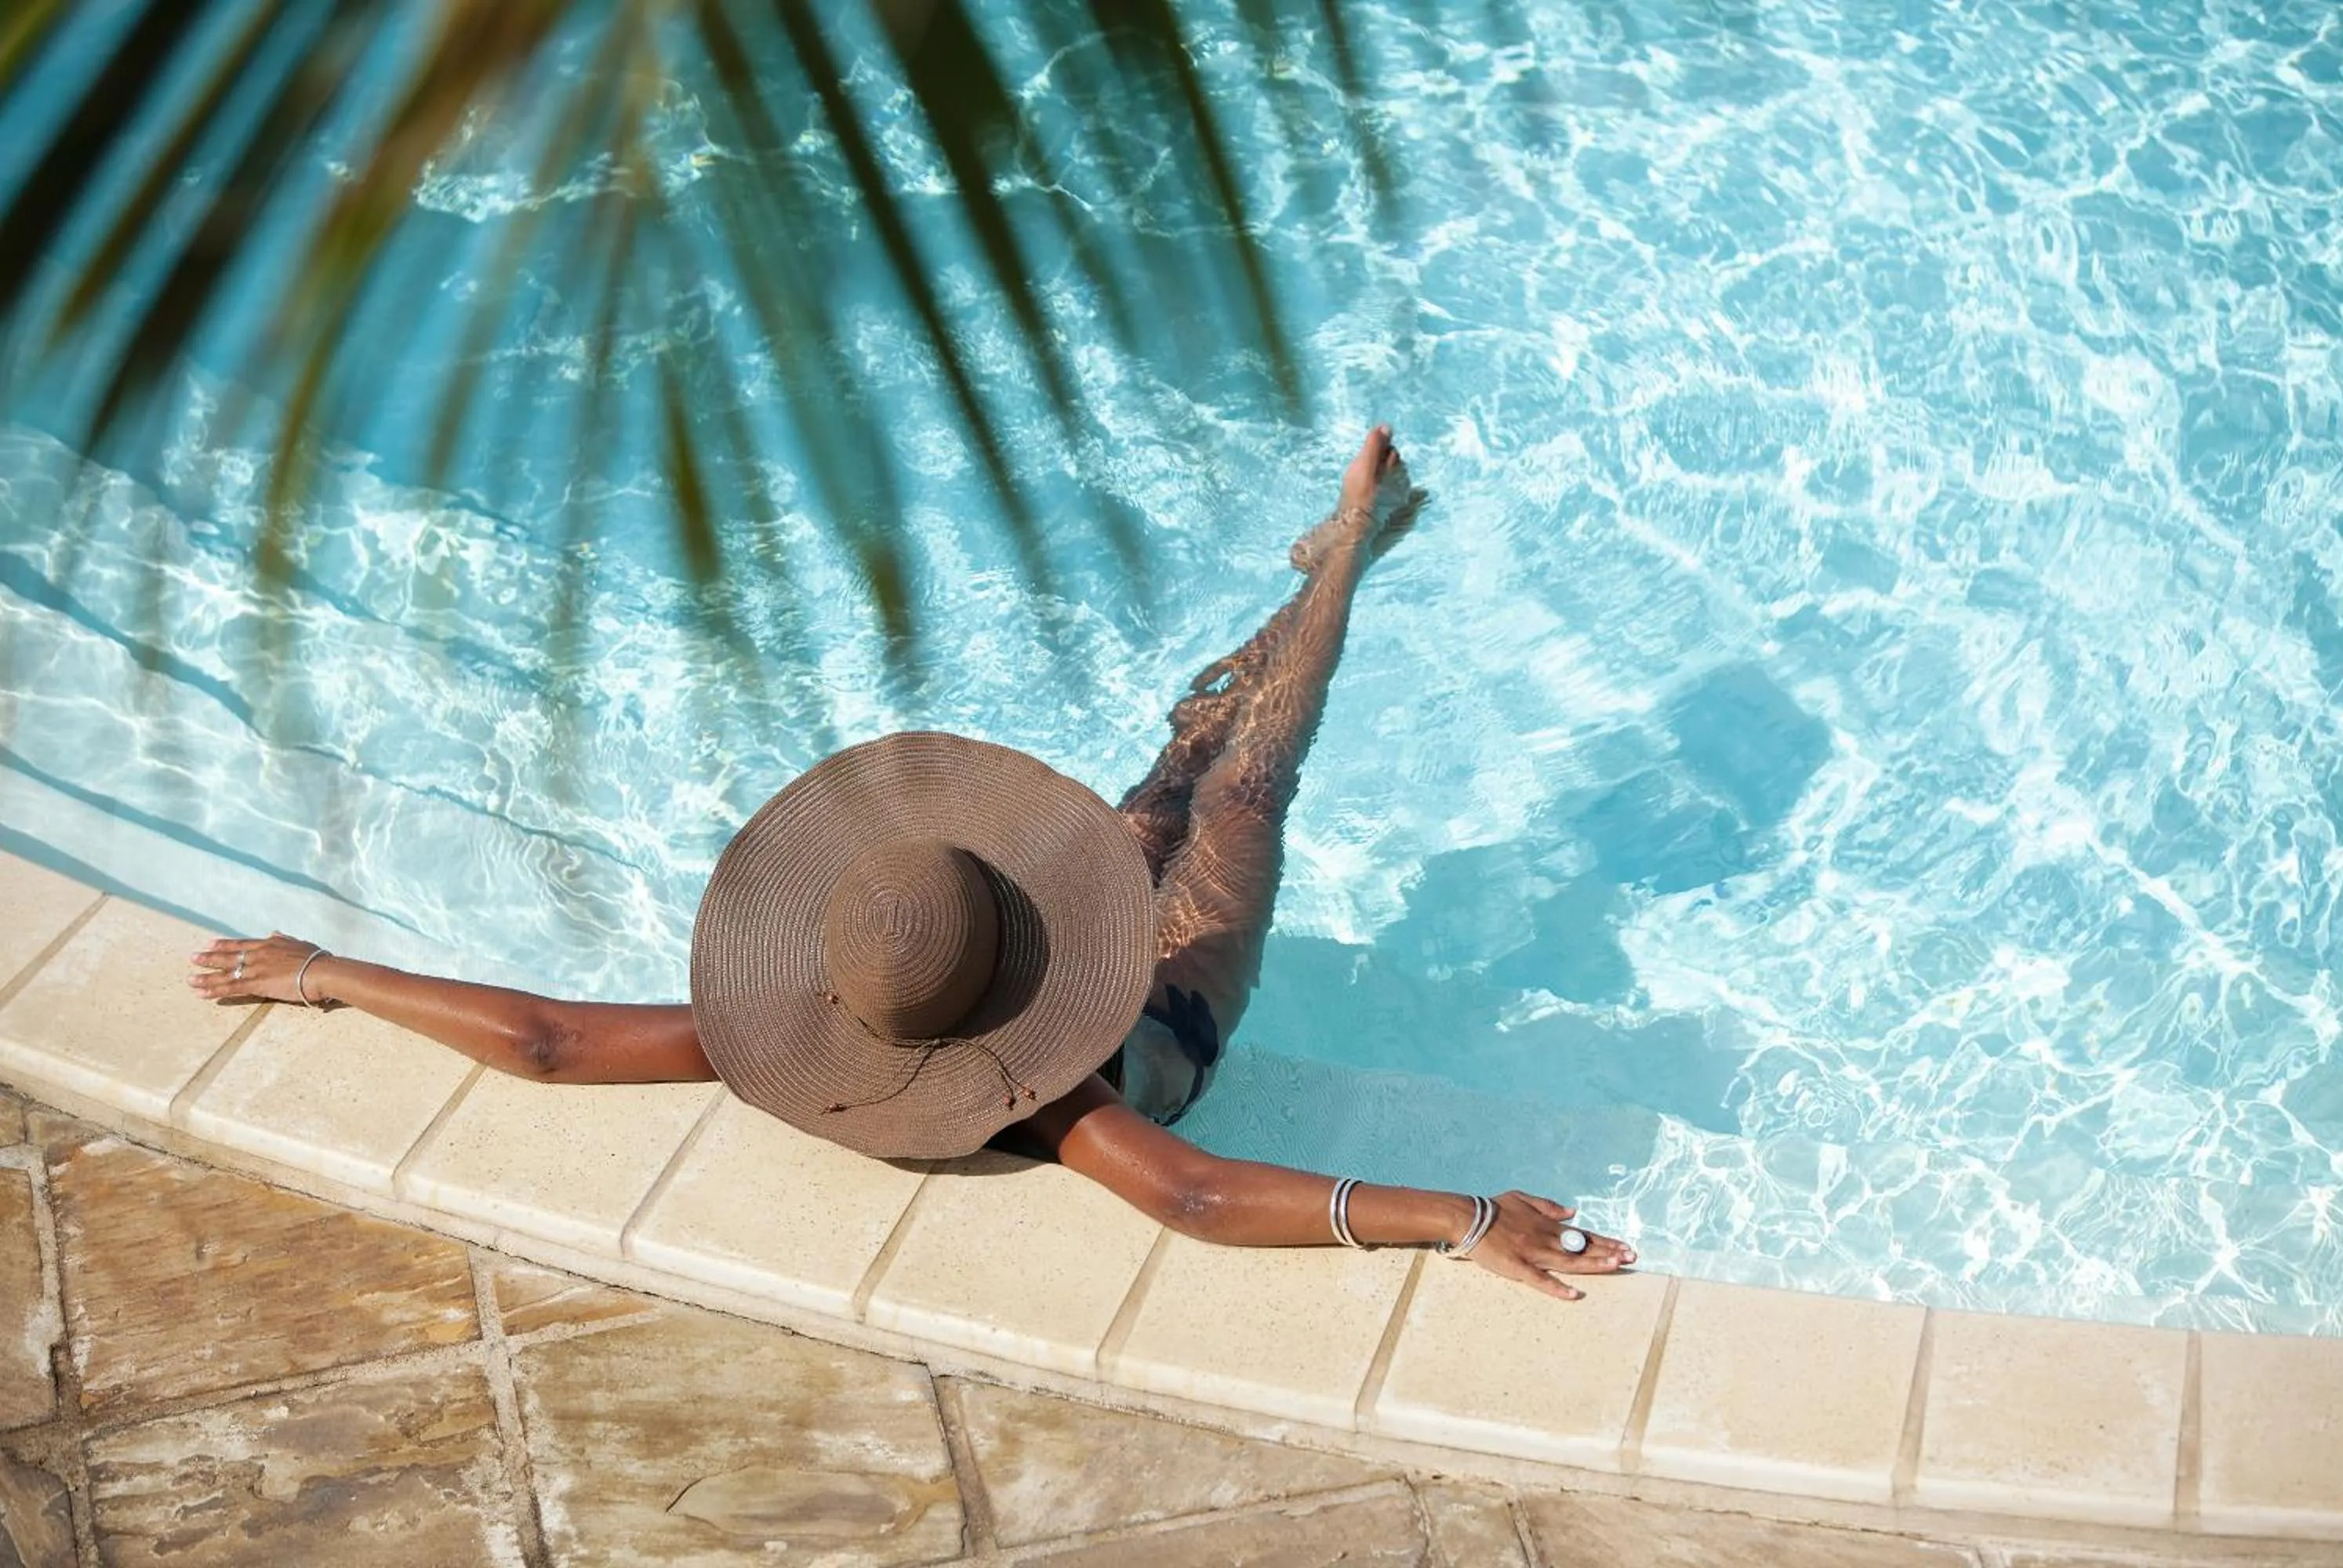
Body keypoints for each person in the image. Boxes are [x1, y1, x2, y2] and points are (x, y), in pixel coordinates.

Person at [187, 426, 1633, 1299]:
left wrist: (328, 974)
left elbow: (556, 1045)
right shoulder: (1048, 1087)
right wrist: (1458, 1218)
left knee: (1208, 768)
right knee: (1227, 776)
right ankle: (1344, 554)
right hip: (1170, 1005)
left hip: (1118, 986)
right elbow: (1194, 1196)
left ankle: (1339, 557)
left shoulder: (804, 1044)